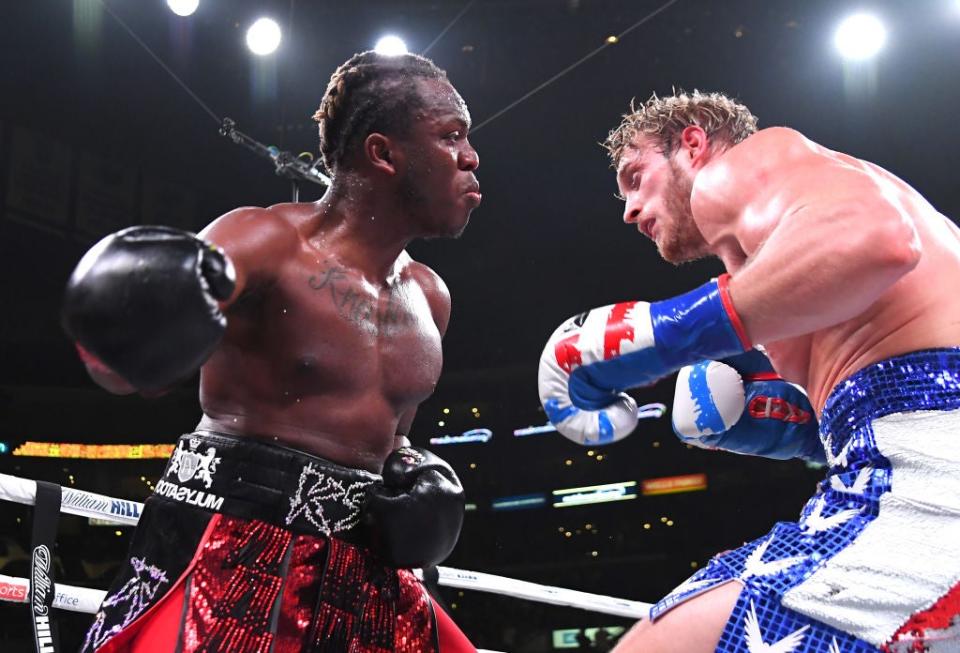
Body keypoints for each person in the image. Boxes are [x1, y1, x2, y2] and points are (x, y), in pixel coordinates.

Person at [62, 50, 481, 653]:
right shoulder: (265, 241)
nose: (471, 157)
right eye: (452, 135)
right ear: (384, 154)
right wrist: (126, 319)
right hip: (231, 552)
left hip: (363, 571)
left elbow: (391, 440)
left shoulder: (430, 297)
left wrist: (418, 475)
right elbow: (147, 327)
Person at [537, 90, 960, 651]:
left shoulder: (739, 169)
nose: (629, 210)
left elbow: (875, 240)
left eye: (636, 176)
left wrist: (667, 333)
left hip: (926, 484)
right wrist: (786, 429)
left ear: (693, 144)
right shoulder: (805, 249)